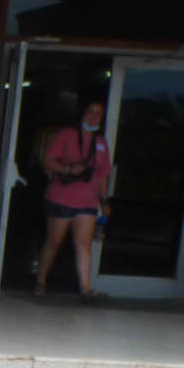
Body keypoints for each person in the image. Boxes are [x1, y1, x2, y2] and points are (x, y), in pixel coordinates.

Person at [34, 98, 112, 301]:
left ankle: (85, 289)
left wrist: (104, 203)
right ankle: (40, 281)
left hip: (87, 201)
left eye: (98, 113)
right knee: (54, 240)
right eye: (90, 112)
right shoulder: (67, 135)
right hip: (61, 197)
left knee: (84, 244)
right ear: (82, 114)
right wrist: (68, 169)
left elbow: (103, 175)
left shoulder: (101, 142)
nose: (94, 117)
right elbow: (47, 161)